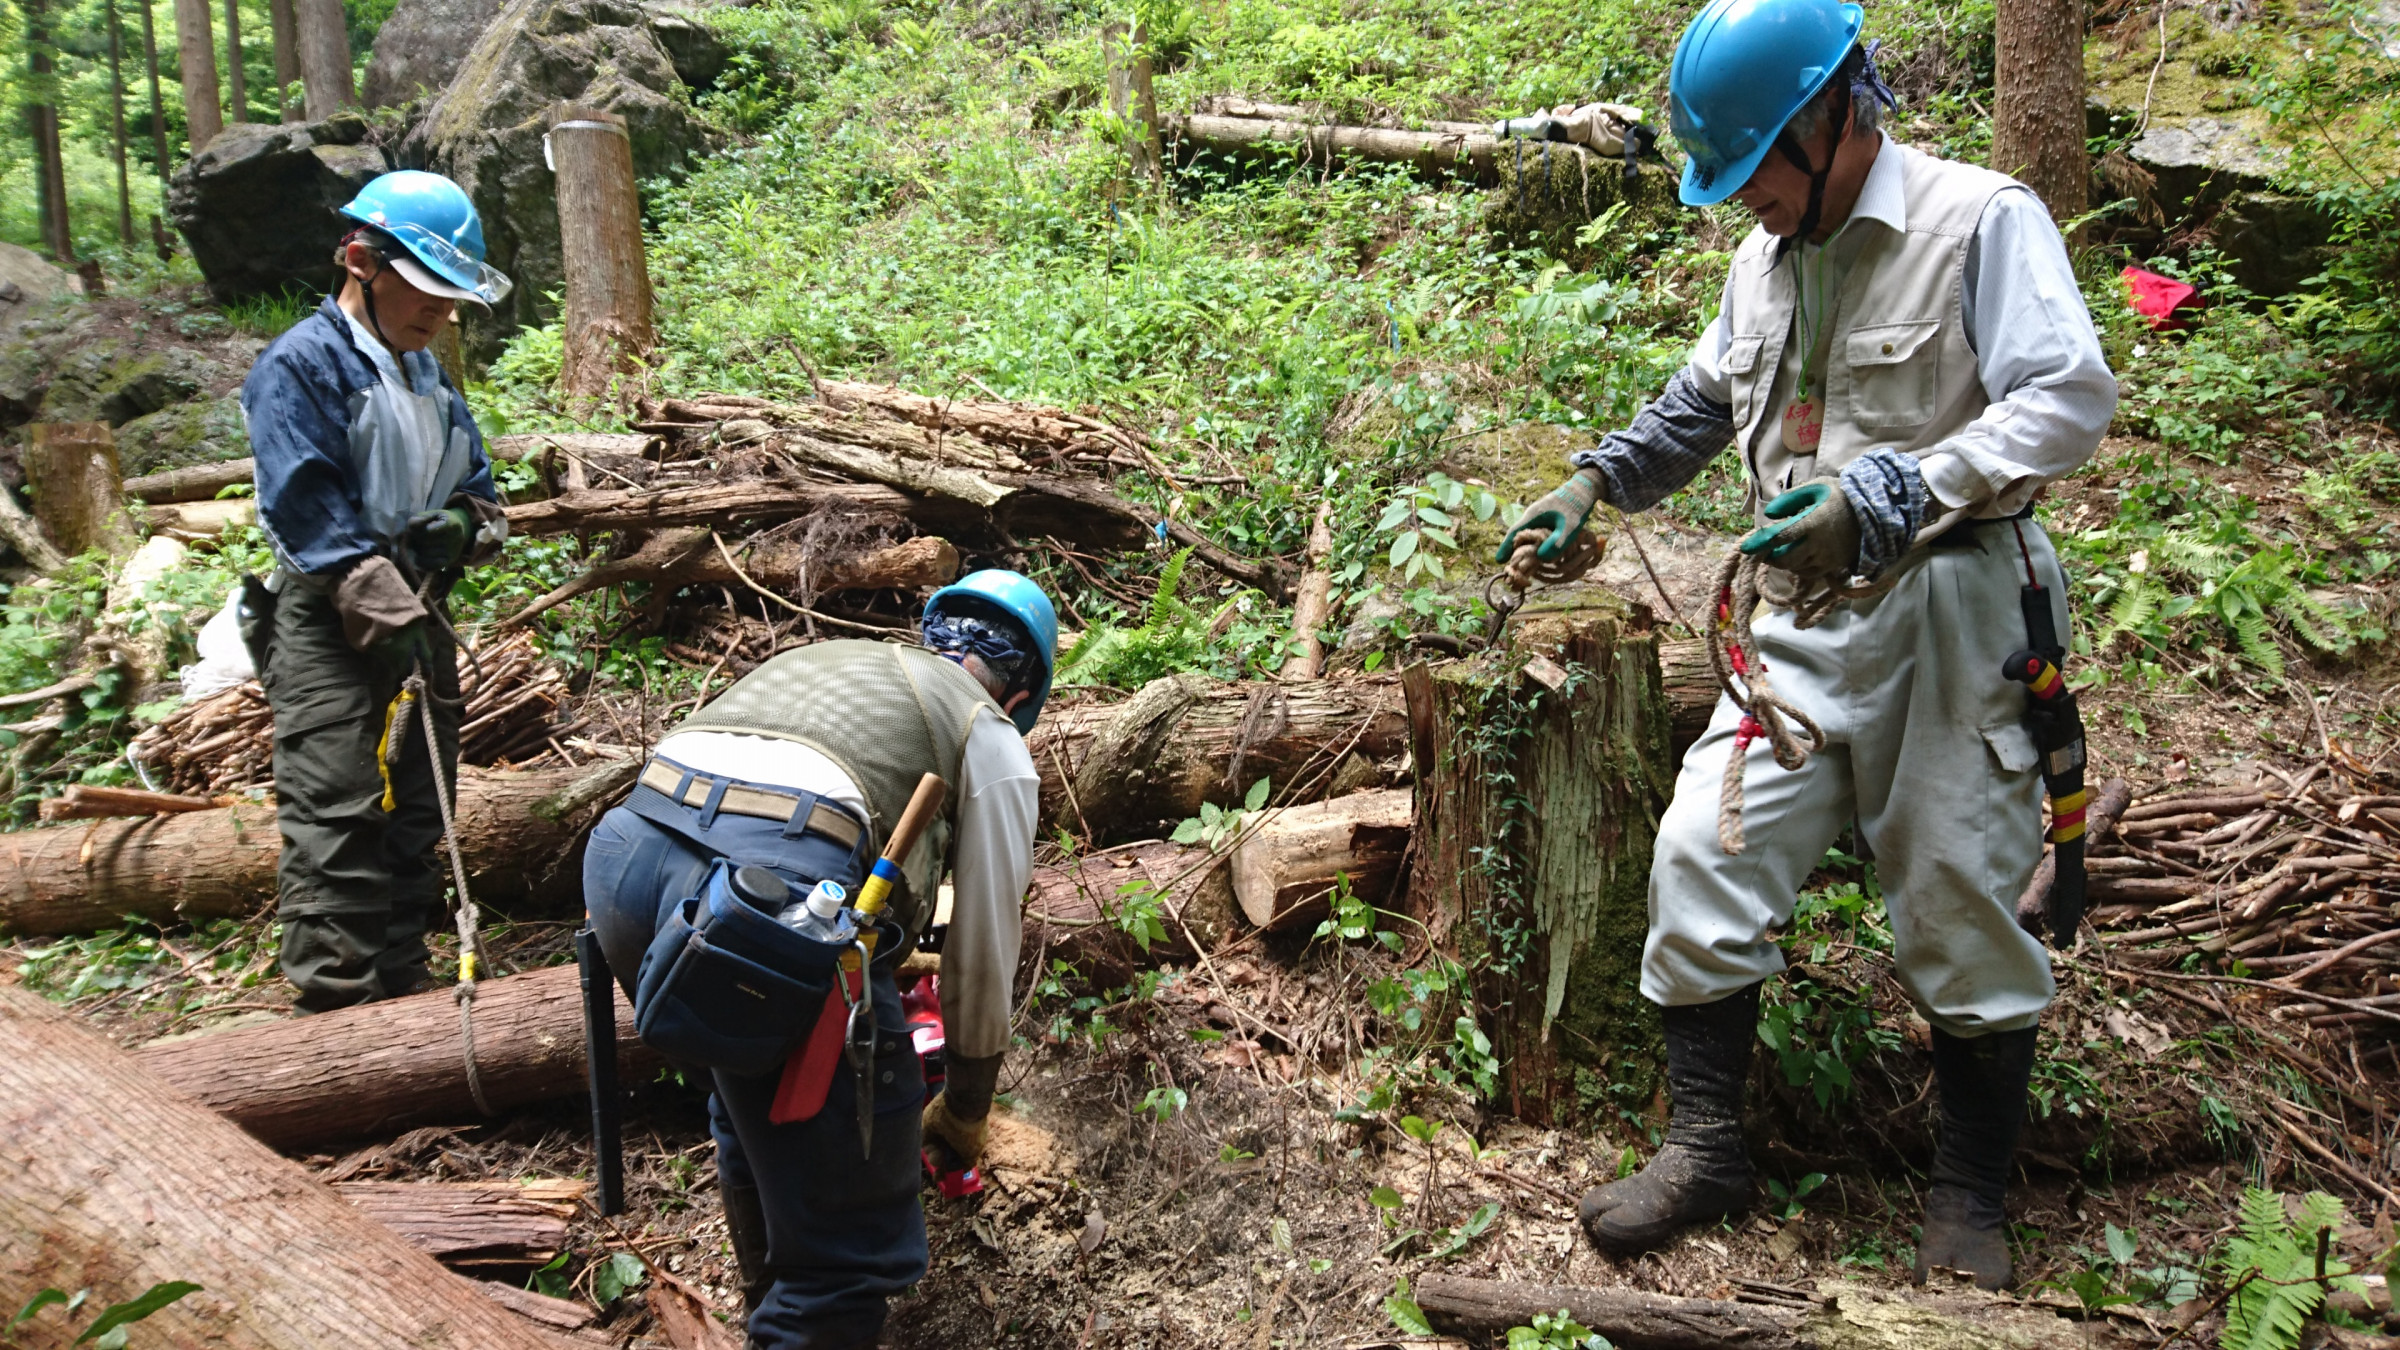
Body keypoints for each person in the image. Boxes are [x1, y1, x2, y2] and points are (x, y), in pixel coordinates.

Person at [1494, 0, 2116, 1290]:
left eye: (1756, 173)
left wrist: (1890, 494)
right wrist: (1596, 482)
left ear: (1832, 116)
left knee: (1959, 894)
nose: (1745, 205)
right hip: (1799, 624)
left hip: (1954, 615)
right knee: (1701, 856)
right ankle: (1712, 1145)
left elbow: (2067, 398)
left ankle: (1968, 1194)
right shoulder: (1763, 263)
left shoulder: (1980, 220)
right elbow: (1705, 397)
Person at [581, 570, 1052, 1350]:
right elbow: (983, 948)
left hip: (625, 864)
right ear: (1022, 692)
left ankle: (775, 1306)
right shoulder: (989, 733)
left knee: (757, 1089)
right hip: (767, 902)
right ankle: (807, 1312)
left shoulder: (842, 663)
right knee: (847, 1252)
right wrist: (967, 1103)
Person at [240, 170, 512, 1013]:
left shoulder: (430, 378)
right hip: (331, 616)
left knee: (420, 807)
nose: (444, 309)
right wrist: (379, 600)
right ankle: (338, 1003)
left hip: (418, 606)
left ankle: (403, 980)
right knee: (337, 804)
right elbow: (304, 502)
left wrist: (465, 526)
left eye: (453, 293)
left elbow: (480, 483)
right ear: (362, 261)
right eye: (429, 289)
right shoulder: (302, 366)